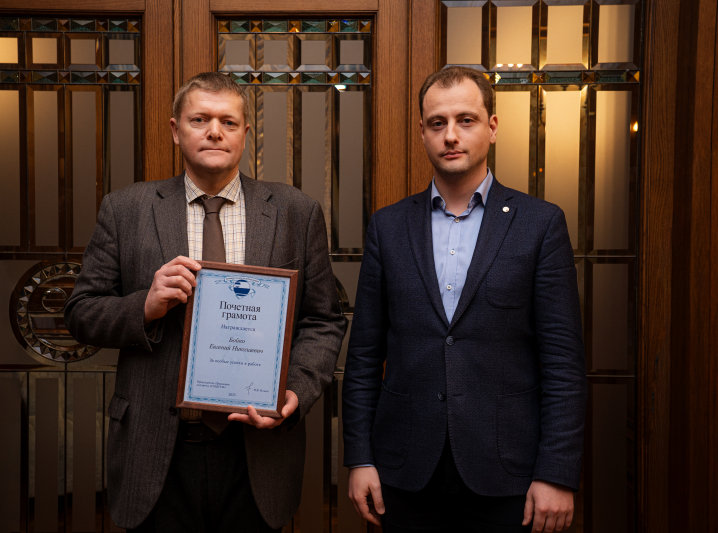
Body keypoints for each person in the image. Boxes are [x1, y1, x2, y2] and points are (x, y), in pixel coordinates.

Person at [64, 72, 345, 532]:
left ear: (245, 134)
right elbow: (81, 313)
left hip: (257, 450)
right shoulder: (126, 209)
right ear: (176, 130)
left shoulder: (296, 211)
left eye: (228, 122)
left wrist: (295, 390)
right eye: (200, 119)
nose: (215, 131)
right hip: (158, 449)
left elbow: (323, 321)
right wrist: (146, 305)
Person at [342, 66, 586, 533]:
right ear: (422, 132)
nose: (451, 135)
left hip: (509, 475)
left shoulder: (540, 225)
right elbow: (364, 359)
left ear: (492, 127)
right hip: (404, 473)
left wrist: (556, 473)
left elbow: (563, 365)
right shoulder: (388, 227)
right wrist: (360, 458)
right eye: (437, 123)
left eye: (466, 120)